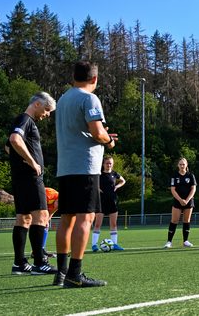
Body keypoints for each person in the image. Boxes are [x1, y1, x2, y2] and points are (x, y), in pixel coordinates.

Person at [54, 61, 114, 288]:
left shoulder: (63, 99)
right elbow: (97, 132)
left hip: (66, 167)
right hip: (85, 167)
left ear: (73, 76)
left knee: (66, 218)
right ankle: (74, 274)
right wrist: (109, 141)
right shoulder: (89, 98)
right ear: (95, 79)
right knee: (85, 217)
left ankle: (61, 272)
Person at [7, 92, 58, 275]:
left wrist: (19, 160)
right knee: (42, 216)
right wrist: (31, 162)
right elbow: (14, 140)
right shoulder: (25, 119)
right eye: (46, 110)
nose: (47, 115)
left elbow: (8, 146)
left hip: (20, 177)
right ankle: (39, 263)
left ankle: (19, 263)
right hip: (30, 177)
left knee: (24, 218)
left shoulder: (22, 121)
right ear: (37, 104)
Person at [92, 156, 126, 251]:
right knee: (98, 224)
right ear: (103, 164)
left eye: (110, 163)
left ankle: (115, 244)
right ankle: (94, 245)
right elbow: (92, 183)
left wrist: (117, 186)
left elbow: (123, 181)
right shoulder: (99, 174)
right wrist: (97, 189)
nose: (109, 165)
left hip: (113, 201)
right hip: (101, 201)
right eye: (107, 163)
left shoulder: (114, 174)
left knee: (113, 224)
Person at [164, 158, 196, 248]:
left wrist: (187, 200)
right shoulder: (174, 176)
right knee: (174, 221)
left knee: (186, 221)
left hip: (188, 202)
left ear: (186, 165)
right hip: (177, 201)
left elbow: (193, 189)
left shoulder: (191, 176)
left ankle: (185, 241)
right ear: (178, 165)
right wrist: (180, 200)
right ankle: (169, 241)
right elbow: (173, 190)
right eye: (180, 164)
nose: (182, 166)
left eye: (183, 164)